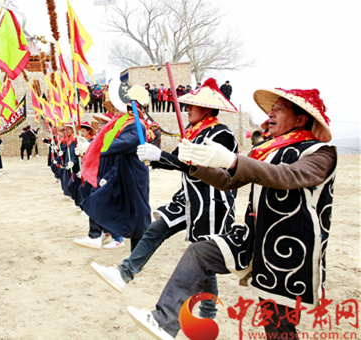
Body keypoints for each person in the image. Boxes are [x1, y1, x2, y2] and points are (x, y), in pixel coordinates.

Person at [126, 87, 336, 340]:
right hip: (253, 237)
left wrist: (233, 160)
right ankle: (164, 320)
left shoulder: (320, 154)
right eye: (271, 110)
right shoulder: (267, 151)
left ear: (301, 119)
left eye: (278, 109)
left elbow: (287, 176)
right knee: (200, 251)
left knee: (278, 327)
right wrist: (196, 165)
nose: (269, 115)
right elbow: (227, 180)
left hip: (288, 251)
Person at [91, 78, 239, 323]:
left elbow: (202, 167)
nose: (187, 109)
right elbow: (176, 161)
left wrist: (162, 155)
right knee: (155, 230)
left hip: (212, 201)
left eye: (193, 105)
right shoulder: (193, 133)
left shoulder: (223, 135)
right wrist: (153, 157)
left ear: (207, 110)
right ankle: (125, 273)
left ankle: (208, 313)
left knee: (203, 257)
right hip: (187, 198)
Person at [78, 80, 151, 251]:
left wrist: (92, 147)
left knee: (138, 213)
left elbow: (121, 145)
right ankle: (102, 235)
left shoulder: (136, 125)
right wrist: (109, 177)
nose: (114, 112)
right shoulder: (127, 124)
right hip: (123, 174)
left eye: (116, 108)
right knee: (103, 201)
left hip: (134, 176)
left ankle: (138, 252)